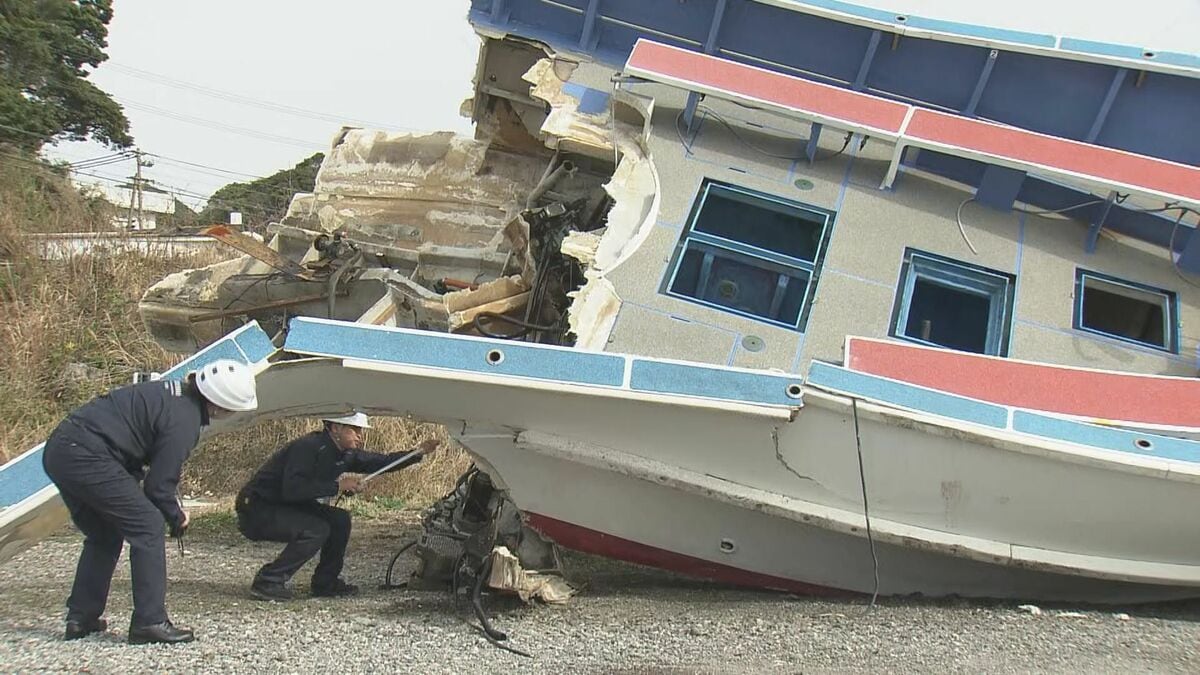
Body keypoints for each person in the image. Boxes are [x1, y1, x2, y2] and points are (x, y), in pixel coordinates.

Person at [41, 359, 259, 645]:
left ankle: (81, 617)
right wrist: (176, 516)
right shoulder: (185, 420)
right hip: (87, 454)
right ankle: (150, 622)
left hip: (62, 449)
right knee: (148, 526)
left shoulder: (172, 395)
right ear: (221, 406)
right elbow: (158, 486)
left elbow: (130, 446)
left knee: (104, 534)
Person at [235, 412, 439, 601]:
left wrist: (417, 453)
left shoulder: (345, 453)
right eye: (354, 429)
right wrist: (337, 486)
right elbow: (293, 488)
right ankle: (268, 581)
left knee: (339, 520)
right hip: (257, 508)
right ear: (335, 428)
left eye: (360, 430)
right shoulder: (308, 447)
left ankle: (326, 582)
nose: (359, 435)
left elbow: (381, 462)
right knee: (316, 529)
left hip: (286, 505)